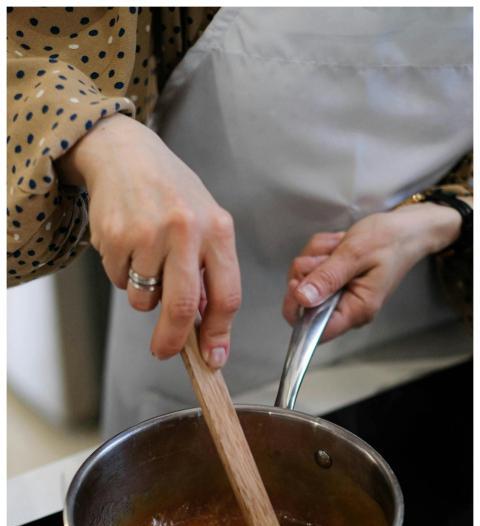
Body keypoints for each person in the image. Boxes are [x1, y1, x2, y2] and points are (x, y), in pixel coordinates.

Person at [7, 8, 473, 436]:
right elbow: (23, 52)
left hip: (435, 332)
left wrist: (442, 215)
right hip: (182, 325)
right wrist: (101, 139)